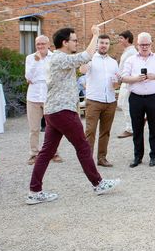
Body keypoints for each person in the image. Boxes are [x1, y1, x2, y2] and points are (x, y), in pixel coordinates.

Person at [26, 26, 120, 205]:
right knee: (83, 147)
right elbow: (86, 56)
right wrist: (96, 35)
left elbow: (81, 60)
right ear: (64, 42)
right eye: (74, 40)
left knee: (46, 152)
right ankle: (98, 183)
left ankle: (34, 191)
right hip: (62, 111)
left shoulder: (60, 58)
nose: (76, 42)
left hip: (54, 111)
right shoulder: (59, 58)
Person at [120, 32, 155, 168]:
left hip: (153, 97)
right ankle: (137, 156)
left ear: (151, 44)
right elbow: (123, 77)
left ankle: (154, 156)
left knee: (154, 127)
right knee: (137, 128)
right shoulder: (131, 59)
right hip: (136, 98)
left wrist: (154, 76)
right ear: (137, 45)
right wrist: (136, 78)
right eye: (142, 44)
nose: (145, 47)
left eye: (147, 44)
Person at [79, 34, 119, 167]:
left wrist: (117, 83)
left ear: (109, 45)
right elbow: (82, 70)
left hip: (110, 101)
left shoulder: (113, 62)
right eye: (101, 43)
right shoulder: (90, 59)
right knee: (90, 131)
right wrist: (86, 59)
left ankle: (102, 158)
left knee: (105, 132)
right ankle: (87, 160)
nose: (104, 45)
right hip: (94, 101)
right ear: (97, 44)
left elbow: (116, 83)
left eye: (106, 43)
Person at [25, 35, 63, 165]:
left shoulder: (54, 58)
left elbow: (57, 77)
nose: (40, 47)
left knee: (52, 127)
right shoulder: (30, 58)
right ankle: (34, 154)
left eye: (42, 44)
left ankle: (54, 152)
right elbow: (28, 77)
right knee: (34, 128)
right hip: (34, 96)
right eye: (38, 44)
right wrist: (36, 62)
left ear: (48, 45)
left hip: (49, 96)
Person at [116, 30, 137, 139]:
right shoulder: (127, 51)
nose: (119, 40)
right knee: (122, 103)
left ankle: (130, 128)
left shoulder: (131, 52)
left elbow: (129, 68)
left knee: (124, 103)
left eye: (121, 38)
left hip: (127, 81)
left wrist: (119, 79)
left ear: (127, 39)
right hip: (124, 81)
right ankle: (136, 122)